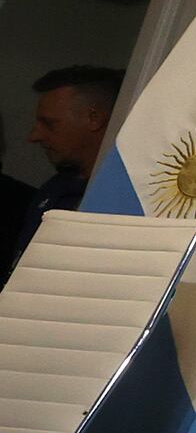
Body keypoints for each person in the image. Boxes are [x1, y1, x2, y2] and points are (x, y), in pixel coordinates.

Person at [5, 65, 123, 282]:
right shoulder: (53, 189)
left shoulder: (120, 197)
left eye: (49, 124)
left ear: (94, 118)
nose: (34, 136)